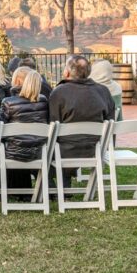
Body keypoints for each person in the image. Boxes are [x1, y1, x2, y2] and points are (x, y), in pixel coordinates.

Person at [49, 56, 115, 186]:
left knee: (47, 145)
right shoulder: (103, 91)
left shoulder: (59, 92)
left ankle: (58, 186)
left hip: (64, 151)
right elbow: (111, 122)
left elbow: (52, 124)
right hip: (95, 149)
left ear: (67, 71)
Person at [0, 67, 49, 191]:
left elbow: (0, 130)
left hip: (13, 152)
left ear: (18, 82)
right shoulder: (44, 101)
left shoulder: (8, 102)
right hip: (38, 151)